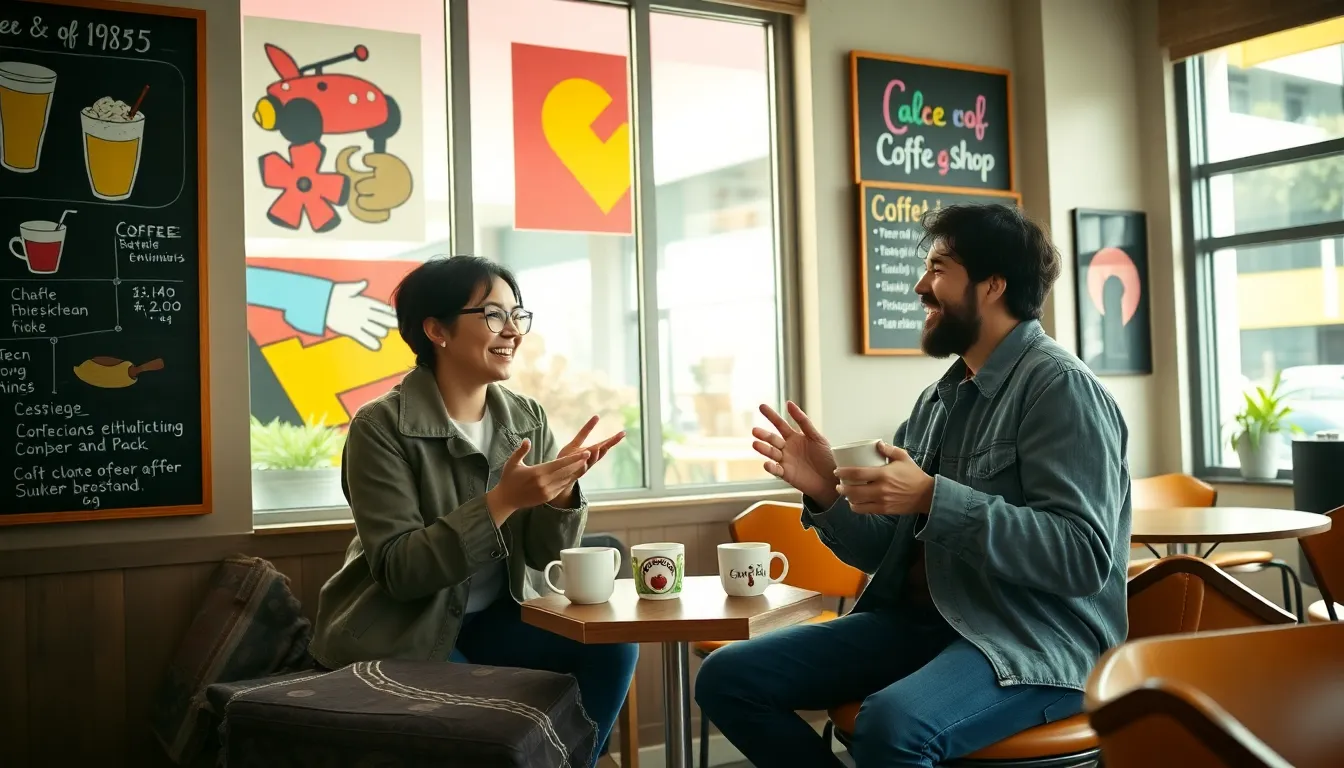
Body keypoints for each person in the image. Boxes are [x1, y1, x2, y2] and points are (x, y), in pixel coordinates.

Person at [695, 204, 1131, 767]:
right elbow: (884, 551)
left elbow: (1082, 557)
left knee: (891, 727)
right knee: (728, 677)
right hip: (926, 627)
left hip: (1033, 642)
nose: (921, 287)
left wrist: (932, 496)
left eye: (939, 268)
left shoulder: (1061, 390)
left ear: (993, 285)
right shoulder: (938, 401)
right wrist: (826, 490)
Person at [310, 255, 638, 765]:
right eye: (492, 315)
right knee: (489, 727)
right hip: (403, 631)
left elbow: (543, 556)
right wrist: (502, 501)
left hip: (495, 620)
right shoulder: (380, 427)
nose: (512, 330)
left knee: (612, 647)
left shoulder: (526, 416)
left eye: (517, 314)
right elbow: (400, 571)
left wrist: (561, 497)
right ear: (436, 329)